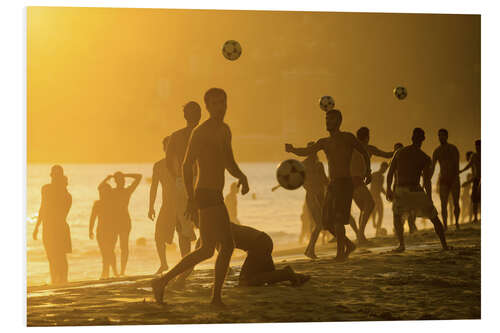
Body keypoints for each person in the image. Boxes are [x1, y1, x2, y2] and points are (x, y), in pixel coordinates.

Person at [151, 88, 249, 308]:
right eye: (215, 103)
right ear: (207, 107)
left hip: (215, 194)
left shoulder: (224, 130)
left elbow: (228, 161)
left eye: (223, 102)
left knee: (207, 249)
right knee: (226, 245)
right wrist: (191, 198)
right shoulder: (201, 132)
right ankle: (214, 297)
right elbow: (187, 165)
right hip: (204, 194)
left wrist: (241, 176)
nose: (220, 107)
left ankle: (163, 282)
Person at [285, 109, 371, 261]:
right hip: (332, 184)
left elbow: (364, 151)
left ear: (338, 121)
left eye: (330, 119)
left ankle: (340, 254)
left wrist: (368, 171)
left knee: (338, 220)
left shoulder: (348, 138)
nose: (327, 122)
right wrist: (292, 149)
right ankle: (349, 245)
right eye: (326, 119)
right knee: (326, 222)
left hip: (345, 183)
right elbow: (307, 151)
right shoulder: (324, 142)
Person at [386, 128, 449, 252]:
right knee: (434, 217)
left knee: (397, 217)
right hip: (415, 190)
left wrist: (388, 188)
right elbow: (426, 181)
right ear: (423, 139)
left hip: (401, 189)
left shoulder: (400, 152)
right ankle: (444, 245)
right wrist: (429, 197)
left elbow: (390, 172)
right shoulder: (424, 157)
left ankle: (401, 245)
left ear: (411, 138)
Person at [350, 127, 394, 243]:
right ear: (367, 138)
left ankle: (360, 236)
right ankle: (360, 235)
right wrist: (398, 151)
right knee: (370, 205)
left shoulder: (352, 148)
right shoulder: (368, 148)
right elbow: (387, 155)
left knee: (364, 208)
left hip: (349, 182)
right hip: (356, 181)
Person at [231, 223, 310, 286]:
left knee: (245, 280)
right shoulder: (224, 226)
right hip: (263, 240)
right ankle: (296, 276)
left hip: (259, 245)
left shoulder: (222, 230)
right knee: (270, 275)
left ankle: (287, 273)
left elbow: (225, 252)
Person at [33, 165, 72, 285]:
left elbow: (62, 213)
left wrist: (63, 187)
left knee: (60, 255)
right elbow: (43, 207)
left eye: (57, 176)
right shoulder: (46, 189)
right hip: (48, 227)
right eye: (54, 176)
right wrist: (37, 226)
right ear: (51, 176)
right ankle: (54, 279)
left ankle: (63, 279)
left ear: (61, 178)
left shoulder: (67, 195)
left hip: (59, 227)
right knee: (51, 255)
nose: (55, 178)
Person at [102, 171, 142, 276]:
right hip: (114, 222)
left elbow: (139, 177)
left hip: (125, 221)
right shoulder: (111, 192)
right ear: (116, 181)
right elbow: (100, 187)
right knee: (111, 247)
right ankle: (115, 272)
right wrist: (107, 178)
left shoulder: (127, 191)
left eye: (123, 180)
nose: (123, 182)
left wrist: (124, 175)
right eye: (120, 180)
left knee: (124, 247)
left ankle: (122, 271)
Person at [148, 136, 176, 274]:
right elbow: (154, 187)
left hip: (183, 204)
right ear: (164, 148)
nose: (169, 149)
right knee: (159, 236)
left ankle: (187, 265)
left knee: (184, 236)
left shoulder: (183, 163)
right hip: (167, 206)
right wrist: (150, 206)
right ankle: (164, 264)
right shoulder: (159, 165)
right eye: (168, 146)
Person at [301, 141, 329, 259]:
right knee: (319, 224)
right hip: (314, 197)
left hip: (317, 196)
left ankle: (309, 249)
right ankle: (310, 249)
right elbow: (324, 181)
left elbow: (302, 182)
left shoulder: (313, 164)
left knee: (320, 224)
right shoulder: (315, 164)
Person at [431, 129, 461, 230]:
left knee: (456, 202)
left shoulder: (453, 148)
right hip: (443, 179)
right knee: (443, 204)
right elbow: (432, 167)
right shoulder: (437, 151)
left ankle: (456, 223)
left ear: (447, 136)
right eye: (439, 136)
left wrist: (455, 178)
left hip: (454, 179)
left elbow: (456, 165)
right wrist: (427, 177)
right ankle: (445, 225)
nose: (441, 138)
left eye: (443, 136)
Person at [89, 180, 118, 279]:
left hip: (112, 231)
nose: (103, 193)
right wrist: (90, 230)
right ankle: (106, 273)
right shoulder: (97, 203)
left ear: (109, 191)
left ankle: (113, 272)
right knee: (105, 252)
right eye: (102, 191)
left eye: (106, 191)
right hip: (101, 231)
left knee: (110, 251)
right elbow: (92, 217)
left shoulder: (114, 202)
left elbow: (118, 217)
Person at [460, 140, 481, 223]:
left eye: (479, 146)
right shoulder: (474, 156)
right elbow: (469, 165)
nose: (477, 147)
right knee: (475, 199)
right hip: (476, 179)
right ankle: (475, 217)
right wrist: (461, 171)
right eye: (476, 146)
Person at [370, 162, 388, 236]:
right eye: (385, 168)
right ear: (381, 167)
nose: (385, 170)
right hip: (374, 196)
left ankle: (377, 229)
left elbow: (381, 188)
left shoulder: (380, 176)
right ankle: (375, 225)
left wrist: (386, 194)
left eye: (386, 169)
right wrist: (386, 194)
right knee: (376, 212)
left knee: (380, 212)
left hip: (376, 195)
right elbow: (377, 187)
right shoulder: (375, 175)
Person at [460, 151, 474, 223]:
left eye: (466, 157)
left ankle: (471, 219)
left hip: (473, 186)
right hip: (468, 192)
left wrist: (467, 182)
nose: (466, 159)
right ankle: (470, 219)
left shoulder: (473, 160)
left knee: (473, 202)